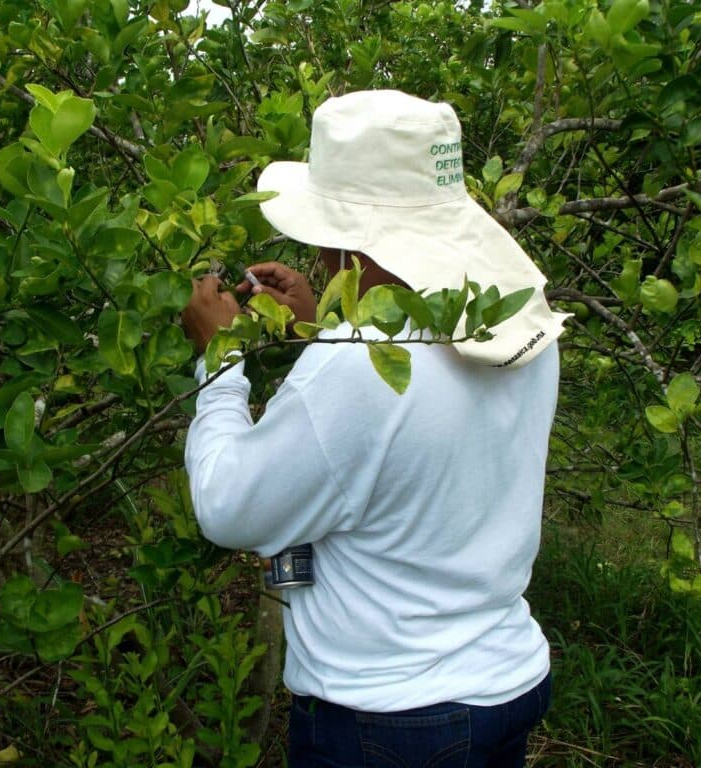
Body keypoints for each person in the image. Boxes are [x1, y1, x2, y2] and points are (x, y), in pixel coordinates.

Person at [181, 90, 568, 768]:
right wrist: (327, 330)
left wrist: (219, 358)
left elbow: (227, 507)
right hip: (504, 681)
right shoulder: (517, 321)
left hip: (391, 723)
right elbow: (420, 423)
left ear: (346, 237)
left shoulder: (360, 369)